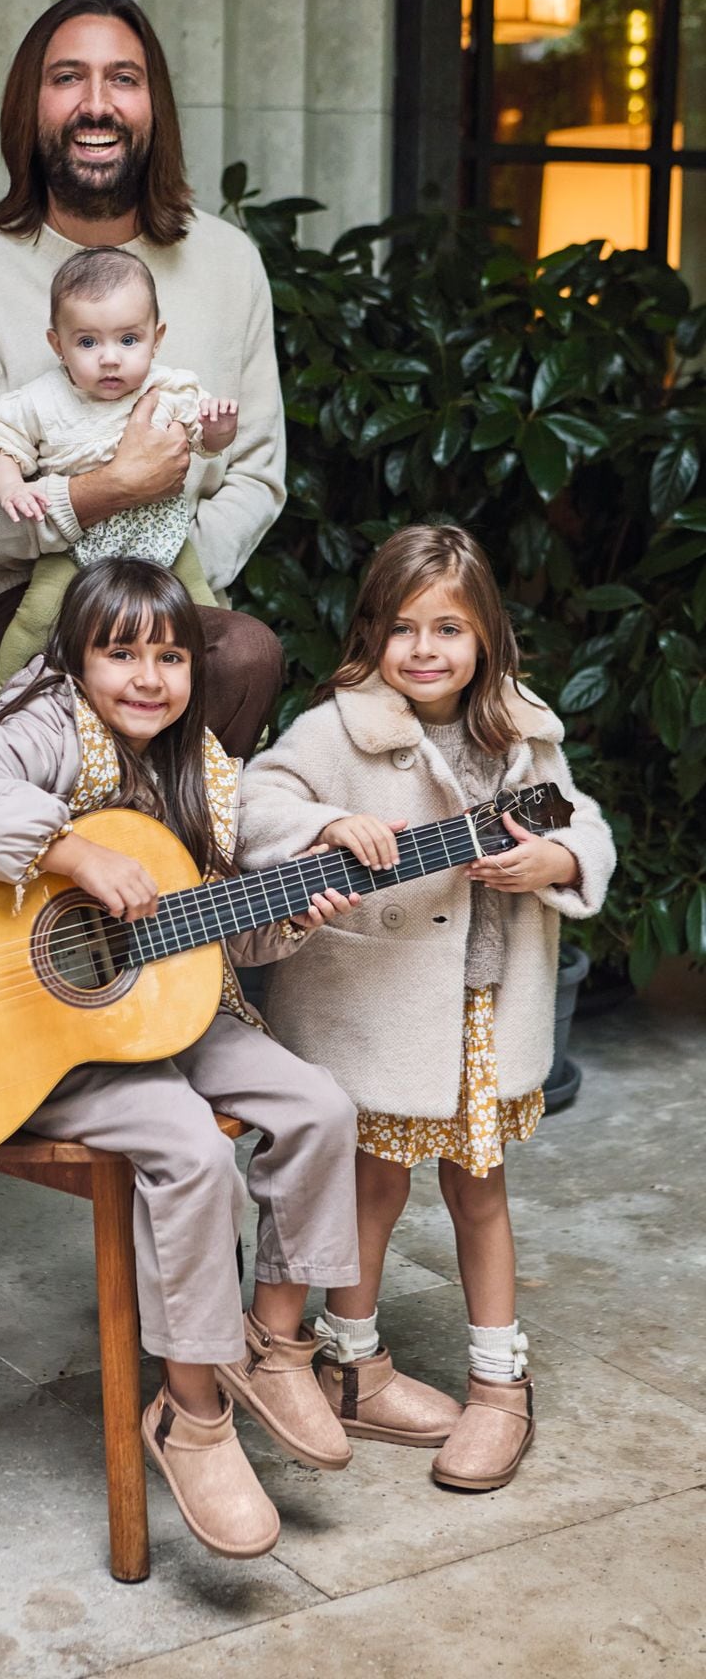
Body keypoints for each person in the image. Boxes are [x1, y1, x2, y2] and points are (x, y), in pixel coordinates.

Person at [0, 558, 361, 1559]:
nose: (147, 677)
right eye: (121, 654)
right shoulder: (49, 725)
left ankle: (276, 1344)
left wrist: (291, 906)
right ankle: (190, 1412)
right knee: (191, 1153)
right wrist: (70, 854)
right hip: (54, 1042)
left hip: (179, 1011)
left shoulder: (204, 768)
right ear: (76, 661)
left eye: (169, 657)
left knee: (322, 1107)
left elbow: (228, 931)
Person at [239, 525, 615, 1492]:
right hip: (382, 1005)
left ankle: (501, 1387)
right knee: (370, 1185)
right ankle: (351, 1363)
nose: (424, 648)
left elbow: (583, 819)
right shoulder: (336, 729)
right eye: (403, 626)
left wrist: (559, 861)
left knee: (477, 1189)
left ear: (486, 634)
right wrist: (328, 823)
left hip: (486, 1004)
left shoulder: (522, 732)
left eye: (448, 626)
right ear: (373, 631)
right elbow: (253, 804)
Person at [0, 0, 286, 759]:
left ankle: (179, 872)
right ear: (30, 106)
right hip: (20, 608)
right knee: (115, 688)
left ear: (154, 106)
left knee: (242, 654)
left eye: (123, 78)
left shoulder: (228, 265)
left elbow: (256, 476)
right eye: (66, 78)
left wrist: (153, 570)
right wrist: (106, 493)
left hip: (179, 592)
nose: (96, 104)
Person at [0, 245, 236, 722]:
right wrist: (10, 486)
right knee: (36, 617)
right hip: (78, 540)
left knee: (201, 617)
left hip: (163, 532)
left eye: (128, 340)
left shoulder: (170, 389)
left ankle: (229, 718)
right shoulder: (40, 401)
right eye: (88, 343)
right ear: (58, 345)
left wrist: (219, 428)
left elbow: (207, 443)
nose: (110, 359)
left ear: (157, 338)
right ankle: (0, 699)